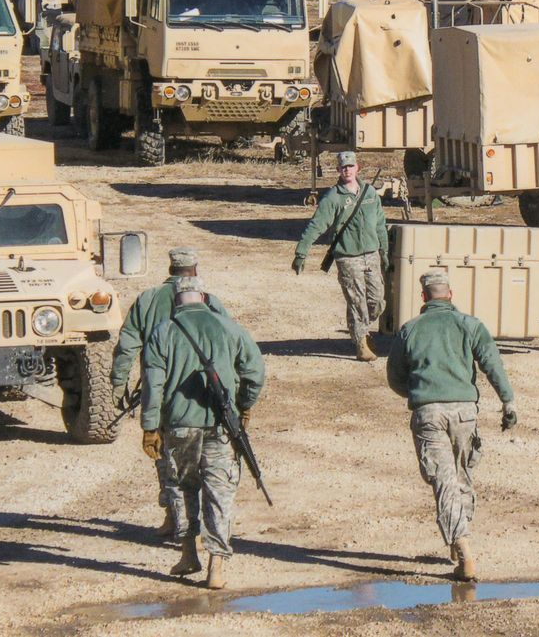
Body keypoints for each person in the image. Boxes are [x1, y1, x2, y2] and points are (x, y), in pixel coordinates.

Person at [386, 269, 517, 582]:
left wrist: (420, 393)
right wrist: (508, 401)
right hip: (464, 413)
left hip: (428, 413)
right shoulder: (469, 325)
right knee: (461, 476)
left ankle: (464, 551)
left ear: (423, 297)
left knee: (443, 480)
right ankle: (461, 538)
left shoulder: (410, 329)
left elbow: (395, 377)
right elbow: (492, 364)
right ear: (450, 295)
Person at [141, 266, 265, 591]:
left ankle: (187, 555)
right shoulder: (228, 327)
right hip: (222, 427)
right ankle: (216, 567)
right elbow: (255, 371)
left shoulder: (162, 332)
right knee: (219, 492)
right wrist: (244, 405)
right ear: (203, 297)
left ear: (177, 301)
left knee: (182, 487)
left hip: (179, 427)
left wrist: (150, 428)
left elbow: (153, 387)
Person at [109, 248, 228, 544]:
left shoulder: (148, 299)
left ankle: (178, 523)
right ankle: (188, 524)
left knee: (168, 458)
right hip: (205, 397)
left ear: (171, 268)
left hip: (161, 394)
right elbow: (230, 342)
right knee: (210, 463)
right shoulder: (208, 301)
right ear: (195, 270)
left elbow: (127, 345)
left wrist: (118, 383)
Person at [293, 150, 389, 361]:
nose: (347, 170)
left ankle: (360, 329)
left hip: (371, 254)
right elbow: (316, 225)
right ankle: (361, 343)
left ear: (357, 168)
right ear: (338, 170)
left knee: (377, 302)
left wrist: (385, 251)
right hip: (348, 257)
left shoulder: (370, 194)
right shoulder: (333, 198)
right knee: (357, 301)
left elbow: (381, 224)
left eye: (351, 166)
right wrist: (302, 252)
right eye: (343, 167)